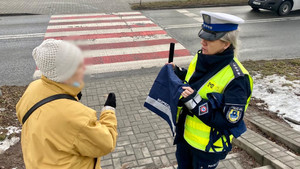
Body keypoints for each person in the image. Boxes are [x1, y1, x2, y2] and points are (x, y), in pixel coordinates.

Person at [168, 11, 253, 169]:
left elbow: (228, 122)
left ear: (226, 44)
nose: (202, 43)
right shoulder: (202, 57)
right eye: (203, 37)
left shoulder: (238, 79)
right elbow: (196, 80)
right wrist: (178, 72)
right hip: (185, 137)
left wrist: (195, 103)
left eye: (209, 40)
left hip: (207, 148)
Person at [16, 39, 118, 169]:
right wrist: (109, 111)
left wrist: (70, 96)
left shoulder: (33, 88)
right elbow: (106, 143)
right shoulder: (74, 117)